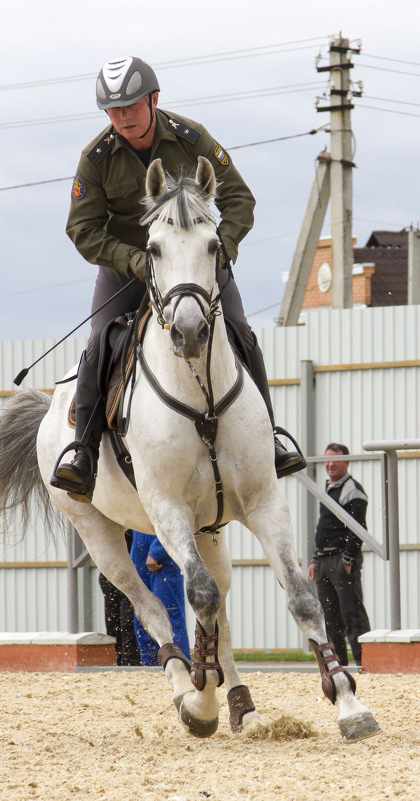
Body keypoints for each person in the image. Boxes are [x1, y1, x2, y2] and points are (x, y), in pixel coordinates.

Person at [51, 56, 306, 501]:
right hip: (130, 264)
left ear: (153, 99)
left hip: (195, 261)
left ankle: (272, 437)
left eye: (131, 106)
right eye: (113, 111)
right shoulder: (95, 159)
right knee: (98, 341)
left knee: (241, 331)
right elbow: (82, 229)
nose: (123, 117)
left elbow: (239, 199)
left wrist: (220, 249)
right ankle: (83, 452)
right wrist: (133, 261)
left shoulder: (193, 139)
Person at [307, 443, 371, 667]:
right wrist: (316, 559)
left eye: (336, 460)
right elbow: (324, 528)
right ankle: (340, 666)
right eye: (327, 460)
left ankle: (366, 663)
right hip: (325, 561)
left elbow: (358, 529)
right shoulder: (329, 488)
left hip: (340, 561)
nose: (331, 464)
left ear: (347, 462)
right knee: (331, 619)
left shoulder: (352, 489)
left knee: (352, 614)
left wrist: (348, 560)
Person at [130, 530, 190, 665]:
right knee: (143, 617)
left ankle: (180, 666)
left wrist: (158, 550)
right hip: (139, 542)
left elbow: (173, 519)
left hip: (161, 547)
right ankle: (152, 669)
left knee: (169, 615)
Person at [98, 530, 141, 666]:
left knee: (128, 624)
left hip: (129, 572)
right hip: (110, 573)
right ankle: (118, 665)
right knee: (113, 626)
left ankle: (131, 665)